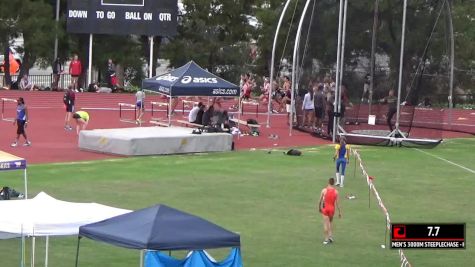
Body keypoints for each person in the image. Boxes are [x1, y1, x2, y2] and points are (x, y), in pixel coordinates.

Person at [318, 177, 342, 245]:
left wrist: (319, 208)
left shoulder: (324, 190)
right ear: (333, 183)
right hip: (332, 209)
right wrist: (340, 212)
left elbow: (320, 201)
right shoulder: (336, 192)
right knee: (330, 222)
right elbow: (337, 203)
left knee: (325, 223)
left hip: (325, 208)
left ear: (328, 182)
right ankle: (330, 236)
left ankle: (326, 239)